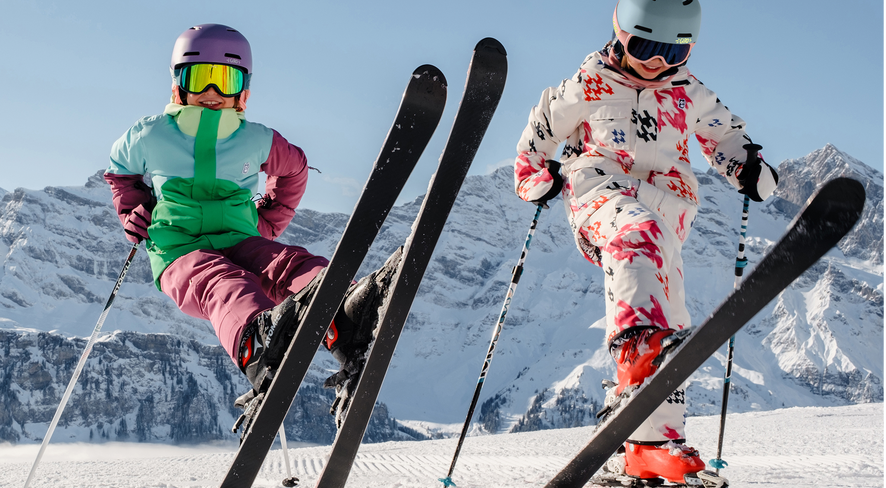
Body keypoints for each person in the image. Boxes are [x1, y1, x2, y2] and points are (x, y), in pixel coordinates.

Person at [513, 0, 777, 483]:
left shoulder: (688, 91)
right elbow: (539, 133)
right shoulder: (588, 83)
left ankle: (651, 442)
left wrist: (747, 166)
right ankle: (635, 346)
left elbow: (724, 135)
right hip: (601, 195)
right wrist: (536, 177)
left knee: (673, 317)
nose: (657, 62)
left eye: (672, 54)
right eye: (647, 47)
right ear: (621, 34)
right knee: (638, 235)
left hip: (668, 208)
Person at [104, 23, 394, 428]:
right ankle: (257, 341)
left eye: (225, 80)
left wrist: (268, 222)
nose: (211, 93)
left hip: (242, 236)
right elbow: (120, 173)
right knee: (222, 284)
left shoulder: (255, 138)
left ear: (243, 92)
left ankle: (345, 313)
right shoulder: (150, 134)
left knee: (288, 263)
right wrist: (134, 210)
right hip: (178, 250)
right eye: (199, 78)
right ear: (177, 86)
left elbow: (293, 170)